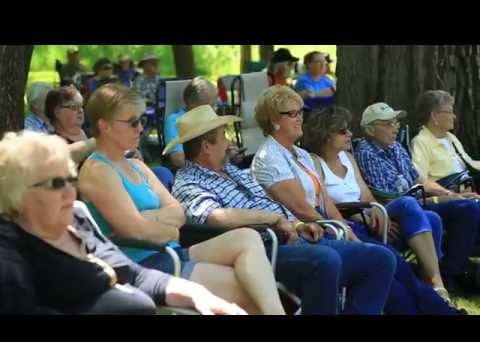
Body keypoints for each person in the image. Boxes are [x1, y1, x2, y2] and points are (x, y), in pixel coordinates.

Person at [78, 83, 285, 315]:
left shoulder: (137, 165)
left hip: (172, 252)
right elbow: (135, 231)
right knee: (252, 291)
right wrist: (166, 228)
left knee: (247, 238)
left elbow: (178, 212)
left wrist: (150, 220)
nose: (140, 129)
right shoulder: (98, 170)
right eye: (133, 122)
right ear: (104, 126)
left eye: (141, 121)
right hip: (144, 265)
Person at [170, 104, 396, 315]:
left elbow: (264, 202)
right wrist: (274, 219)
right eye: (223, 137)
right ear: (207, 147)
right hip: (256, 251)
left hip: (291, 237)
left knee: (380, 259)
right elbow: (214, 217)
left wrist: (298, 224)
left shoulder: (232, 170)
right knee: (324, 261)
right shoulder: (189, 182)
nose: (229, 141)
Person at [0, 131, 247, 315]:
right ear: (18, 193)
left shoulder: (78, 221)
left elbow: (136, 276)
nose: (69, 191)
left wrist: (198, 295)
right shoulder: (11, 255)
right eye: (55, 184)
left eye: (69, 179)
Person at [301, 106, 463, 314]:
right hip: (349, 223)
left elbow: (365, 193)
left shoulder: (348, 158)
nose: (350, 134)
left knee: (430, 219)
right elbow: (325, 202)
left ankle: (432, 283)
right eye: (343, 131)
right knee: (400, 259)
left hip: (370, 215)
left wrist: (375, 210)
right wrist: (363, 215)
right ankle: (436, 289)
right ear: (326, 135)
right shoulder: (315, 162)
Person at [354, 101, 480, 293]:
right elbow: (392, 196)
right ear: (370, 130)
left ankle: (457, 272)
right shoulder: (366, 152)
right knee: (465, 208)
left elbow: (419, 180)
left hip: (416, 200)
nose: (395, 127)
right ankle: (448, 275)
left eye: (396, 122)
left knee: (467, 204)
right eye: (388, 124)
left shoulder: (395, 147)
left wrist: (450, 194)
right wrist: (442, 200)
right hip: (398, 207)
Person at [164, 77, 244, 170]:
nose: (213, 110)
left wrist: (231, 153)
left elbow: (224, 145)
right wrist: (221, 157)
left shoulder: (210, 116)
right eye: (210, 105)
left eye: (215, 105)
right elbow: (177, 159)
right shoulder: (176, 121)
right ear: (191, 105)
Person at [411, 89, 480, 189]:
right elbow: (421, 180)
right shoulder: (420, 142)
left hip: (467, 189)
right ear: (434, 116)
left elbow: (469, 163)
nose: (454, 116)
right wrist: (448, 194)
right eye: (450, 112)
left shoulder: (450, 138)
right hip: (449, 197)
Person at [44, 86, 96, 166]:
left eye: (81, 106)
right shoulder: (52, 141)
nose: (80, 111)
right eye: (74, 107)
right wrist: (99, 141)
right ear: (57, 112)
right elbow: (64, 156)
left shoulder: (92, 133)